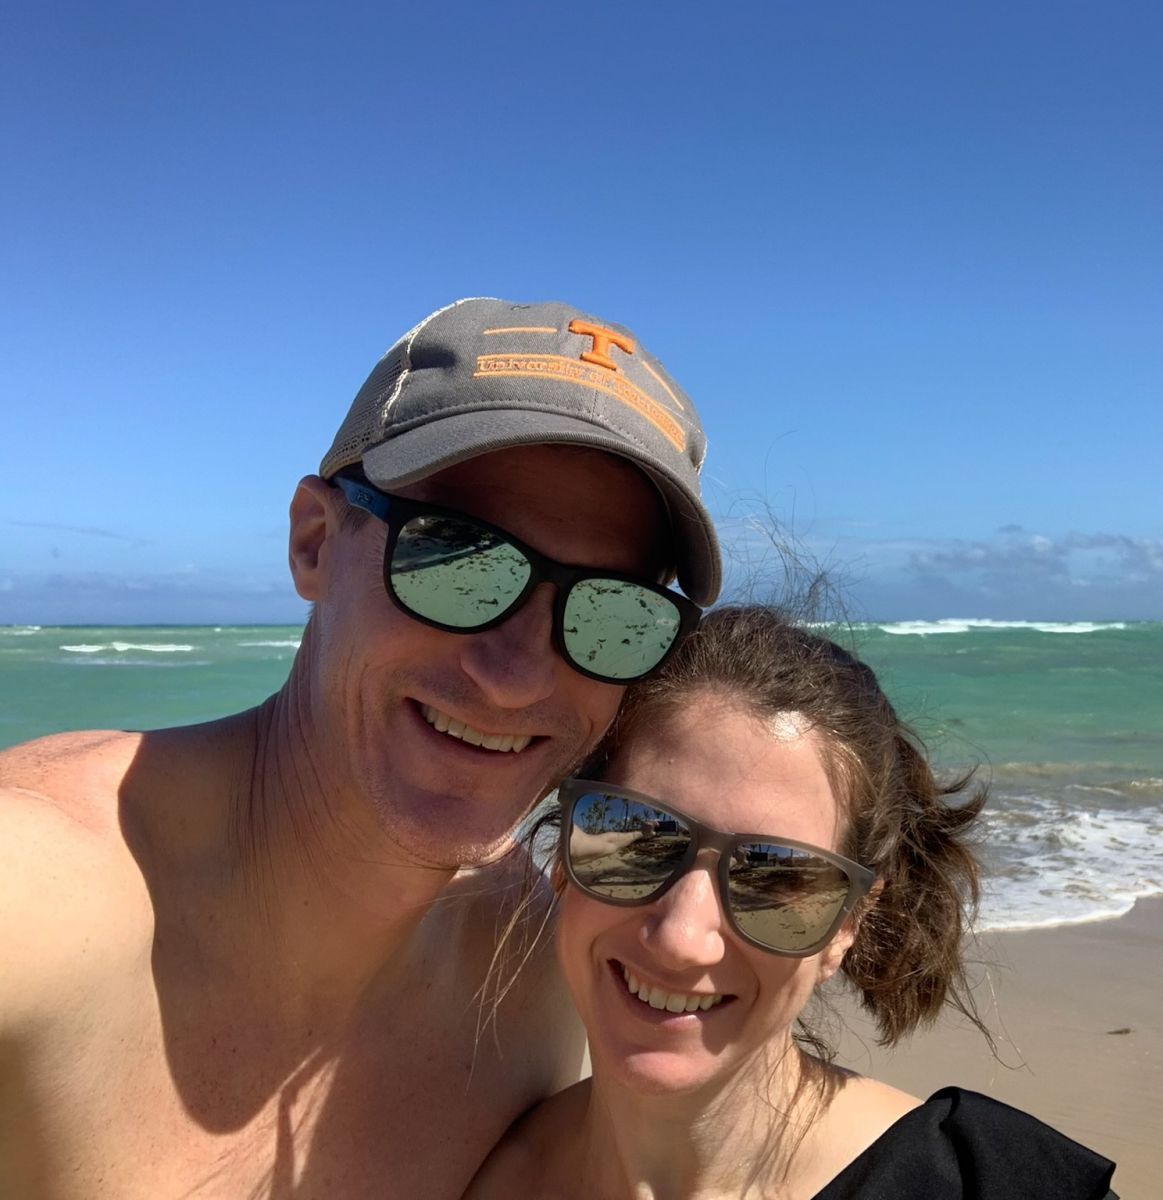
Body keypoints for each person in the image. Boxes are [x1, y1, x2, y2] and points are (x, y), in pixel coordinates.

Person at [0, 298, 721, 1198]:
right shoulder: (33, 903)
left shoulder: (528, 968)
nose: (516, 677)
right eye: (457, 558)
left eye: (614, 612)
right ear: (314, 542)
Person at [467, 606, 1117, 1199]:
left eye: (775, 879)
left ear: (846, 927)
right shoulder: (471, 1178)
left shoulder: (991, 1188)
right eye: (638, 834)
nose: (681, 937)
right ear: (562, 855)